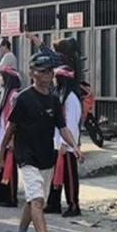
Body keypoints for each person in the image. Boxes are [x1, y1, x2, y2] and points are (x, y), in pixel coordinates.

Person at [0, 53, 82, 232]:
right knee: (37, 201)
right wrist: (0, 154)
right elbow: (10, 127)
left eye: (50, 72)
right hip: (26, 157)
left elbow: (62, 127)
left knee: (34, 200)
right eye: (42, 71)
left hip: (47, 158)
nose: (47, 76)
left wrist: (74, 146)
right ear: (32, 73)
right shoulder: (23, 98)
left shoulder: (53, 99)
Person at [45, 66, 83, 217]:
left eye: (56, 77)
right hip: (57, 142)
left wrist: (64, 143)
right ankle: (53, 203)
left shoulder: (71, 98)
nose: (53, 80)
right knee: (55, 175)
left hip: (67, 146)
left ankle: (74, 205)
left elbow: (71, 124)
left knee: (69, 177)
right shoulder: (61, 96)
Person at [0, 66, 22, 207]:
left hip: (8, 137)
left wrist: (13, 139)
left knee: (9, 168)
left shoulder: (14, 95)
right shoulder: (3, 93)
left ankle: (11, 197)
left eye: (2, 77)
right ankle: (0, 194)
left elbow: (15, 120)